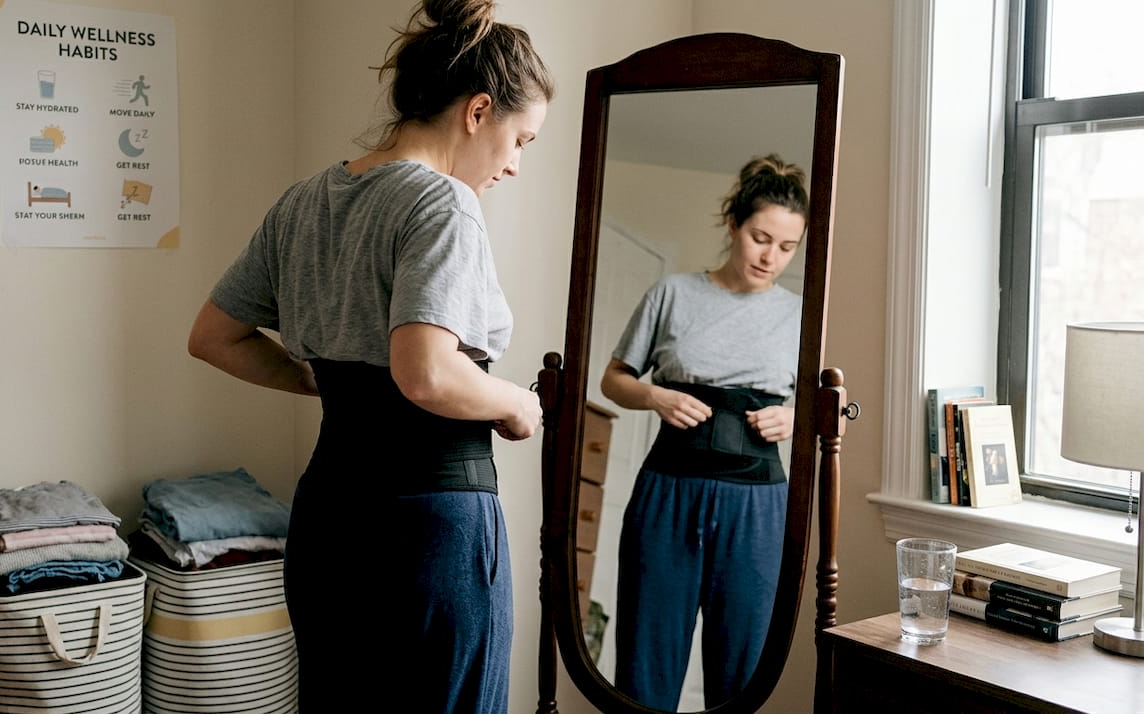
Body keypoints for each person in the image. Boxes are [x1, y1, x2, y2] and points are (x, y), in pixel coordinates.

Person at [186, 1, 553, 711]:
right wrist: (517, 402)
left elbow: (213, 337)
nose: (513, 166)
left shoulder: (303, 202)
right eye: (521, 140)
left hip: (330, 520)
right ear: (478, 111)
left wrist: (337, 386)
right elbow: (425, 373)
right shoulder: (442, 203)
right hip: (430, 532)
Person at [600, 154, 807, 710]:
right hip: (668, 493)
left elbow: (829, 407)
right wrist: (655, 395)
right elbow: (613, 381)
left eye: (787, 247)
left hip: (758, 505)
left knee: (742, 670)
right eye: (760, 237)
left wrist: (796, 417)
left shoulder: (801, 316)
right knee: (647, 660)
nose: (771, 257)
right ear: (734, 225)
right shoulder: (673, 295)